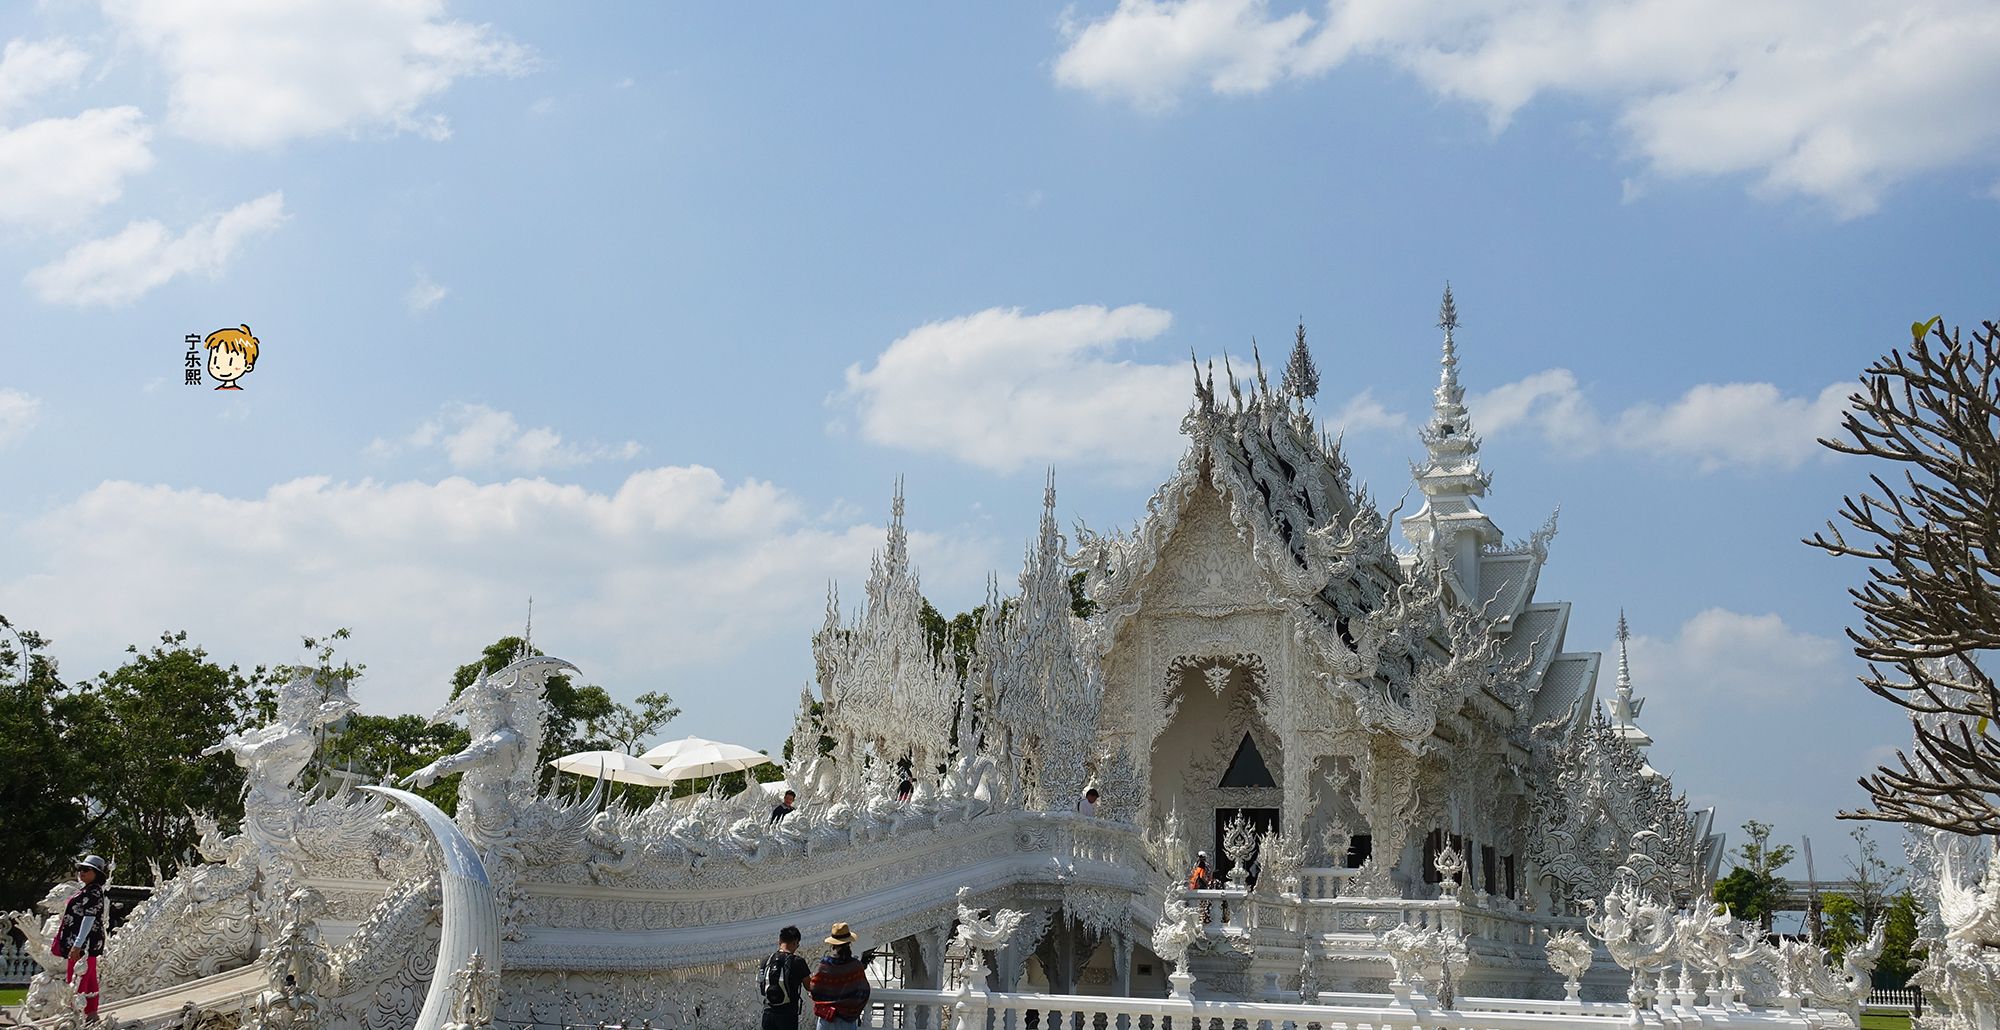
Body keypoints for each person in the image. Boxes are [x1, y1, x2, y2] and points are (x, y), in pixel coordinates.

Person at [55, 855, 108, 1019]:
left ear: (96, 873)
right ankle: (91, 1014)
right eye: (80, 869)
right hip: (83, 943)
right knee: (90, 979)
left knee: (78, 979)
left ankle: (74, 1015)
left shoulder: (93, 892)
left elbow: (89, 919)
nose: (81, 873)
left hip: (83, 944)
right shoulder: (86, 890)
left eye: (86, 869)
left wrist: (77, 945)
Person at [806, 922, 870, 1030]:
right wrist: (852, 1009)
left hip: (827, 1018)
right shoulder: (855, 966)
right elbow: (864, 991)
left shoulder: (825, 965)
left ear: (833, 945)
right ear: (849, 943)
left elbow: (815, 989)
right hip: (847, 1021)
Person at [758, 925, 811, 1029]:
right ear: (795, 942)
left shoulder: (766, 960)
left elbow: (762, 987)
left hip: (768, 1012)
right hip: (788, 1014)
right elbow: (809, 986)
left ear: (779, 941)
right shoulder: (798, 961)